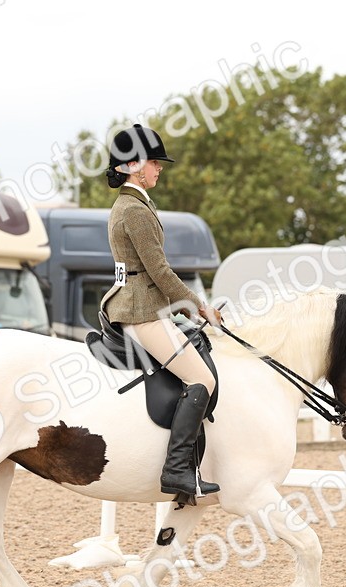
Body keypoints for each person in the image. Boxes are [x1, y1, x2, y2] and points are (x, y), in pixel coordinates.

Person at [99, 123, 223, 500]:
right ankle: (178, 471)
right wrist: (198, 306)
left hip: (140, 303)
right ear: (135, 165)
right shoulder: (134, 210)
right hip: (139, 312)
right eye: (155, 163)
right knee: (203, 380)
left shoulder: (134, 204)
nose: (159, 169)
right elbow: (159, 270)